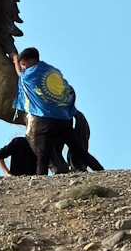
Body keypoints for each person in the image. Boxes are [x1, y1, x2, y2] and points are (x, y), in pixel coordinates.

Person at [11, 47, 102, 175]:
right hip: (64, 118)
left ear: (30, 62)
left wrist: (15, 59)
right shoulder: (53, 71)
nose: (24, 68)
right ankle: (101, 172)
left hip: (45, 120)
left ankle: (39, 185)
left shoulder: (30, 74)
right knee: (80, 151)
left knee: (43, 157)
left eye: (24, 65)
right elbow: (67, 88)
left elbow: (20, 74)